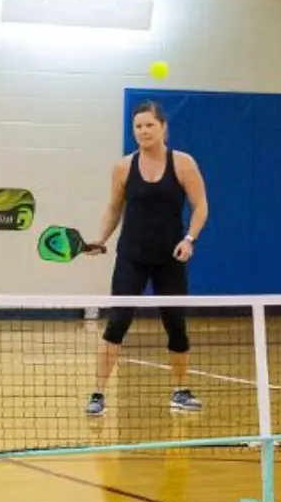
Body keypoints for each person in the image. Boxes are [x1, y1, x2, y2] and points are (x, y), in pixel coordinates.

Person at [85, 100, 209, 416]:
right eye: (138, 126)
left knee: (176, 326)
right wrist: (101, 238)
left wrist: (189, 239)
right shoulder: (123, 167)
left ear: (163, 127)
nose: (143, 131)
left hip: (170, 258)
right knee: (117, 323)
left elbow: (201, 207)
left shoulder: (183, 164)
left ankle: (180, 391)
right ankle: (98, 394)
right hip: (132, 256)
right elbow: (114, 207)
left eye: (149, 125)